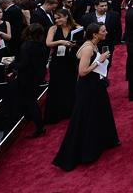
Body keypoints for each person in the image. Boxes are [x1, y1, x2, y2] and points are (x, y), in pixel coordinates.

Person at [53, 23, 119, 171]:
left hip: (96, 86)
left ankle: (102, 142)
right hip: (88, 87)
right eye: (103, 31)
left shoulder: (93, 45)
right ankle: (85, 151)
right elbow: (82, 72)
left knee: (99, 113)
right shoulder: (88, 48)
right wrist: (99, 61)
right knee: (86, 117)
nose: (106, 32)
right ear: (95, 34)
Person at [9, 23, 48, 137]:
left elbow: (23, 64)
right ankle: (33, 120)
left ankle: (39, 127)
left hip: (27, 78)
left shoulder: (26, 46)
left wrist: (12, 65)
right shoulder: (42, 45)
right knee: (31, 101)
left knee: (31, 102)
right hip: (38, 76)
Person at [44, 9, 79, 123]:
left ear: (66, 17)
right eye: (55, 18)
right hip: (57, 61)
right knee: (56, 85)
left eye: (59, 18)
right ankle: (56, 113)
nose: (57, 20)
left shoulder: (76, 27)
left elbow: (82, 41)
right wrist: (61, 42)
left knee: (70, 84)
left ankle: (70, 110)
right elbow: (48, 43)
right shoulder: (53, 28)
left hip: (72, 60)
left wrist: (74, 44)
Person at [81, 0, 122, 67]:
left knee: (107, 63)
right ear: (95, 7)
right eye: (102, 6)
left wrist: (114, 42)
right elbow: (85, 32)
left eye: (106, 5)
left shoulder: (114, 15)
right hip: (93, 45)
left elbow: (118, 29)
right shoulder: (86, 18)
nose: (104, 7)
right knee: (93, 63)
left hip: (108, 44)